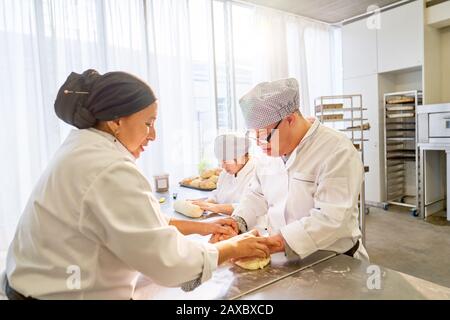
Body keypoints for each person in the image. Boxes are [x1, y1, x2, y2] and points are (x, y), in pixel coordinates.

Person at [1, 69, 275, 300]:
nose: (153, 135)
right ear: (117, 120)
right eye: (148, 123)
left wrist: (204, 228)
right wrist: (233, 248)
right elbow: (169, 263)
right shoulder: (109, 169)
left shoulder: (82, 148)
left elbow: (139, 224)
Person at [212, 78, 369, 261]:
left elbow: (331, 218)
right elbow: (256, 195)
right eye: (254, 135)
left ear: (290, 119)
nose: (260, 142)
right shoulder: (269, 153)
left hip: (333, 259)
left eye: (264, 135)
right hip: (283, 258)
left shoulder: (337, 150)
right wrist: (237, 222)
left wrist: (274, 243)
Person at [192, 134, 256, 217]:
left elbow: (251, 207)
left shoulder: (257, 172)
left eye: (225, 161)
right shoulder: (226, 173)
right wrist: (202, 204)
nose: (222, 166)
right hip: (225, 220)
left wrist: (217, 208)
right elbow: (217, 196)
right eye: (221, 161)